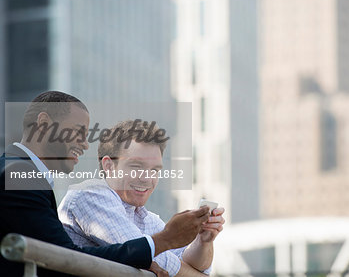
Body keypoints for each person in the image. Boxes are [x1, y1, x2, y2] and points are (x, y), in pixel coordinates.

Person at [0, 91, 210, 277]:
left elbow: (62, 254)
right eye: (78, 133)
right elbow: (61, 257)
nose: (84, 144)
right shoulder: (18, 172)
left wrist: (202, 240)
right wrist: (164, 240)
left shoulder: (22, 172)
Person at [58, 120, 225, 276]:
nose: (147, 178)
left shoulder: (148, 219)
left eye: (154, 170)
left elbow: (194, 265)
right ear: (109, 165)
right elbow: (142, 252)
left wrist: (204, 240)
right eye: (137, 166)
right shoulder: (90, 195)